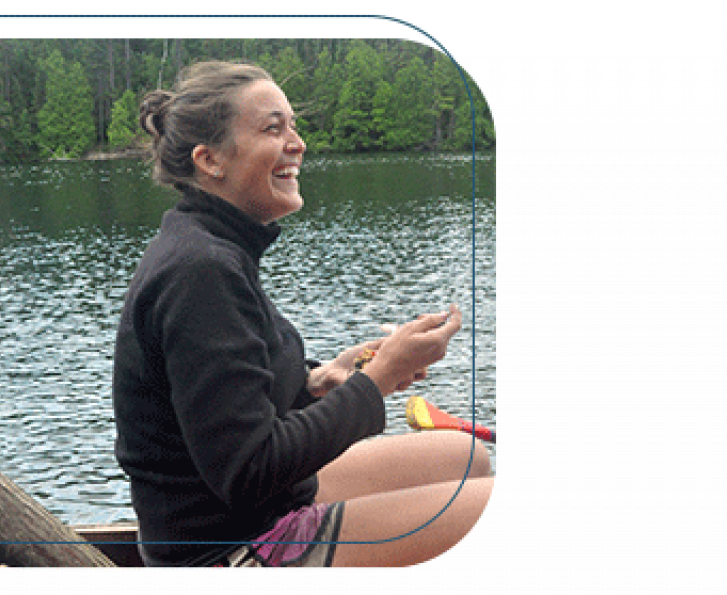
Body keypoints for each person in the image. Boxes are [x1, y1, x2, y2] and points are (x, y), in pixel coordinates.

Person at [111, 61, 494, 568]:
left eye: (294, 125)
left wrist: (316, 381)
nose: (297, 143)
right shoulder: (200, 270)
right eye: (273, 128)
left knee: (466, 458)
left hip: (246, 509)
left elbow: (221, 406)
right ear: (210, 160)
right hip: (229, 549)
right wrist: (378, 379)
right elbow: (249, 469)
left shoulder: (208, 248)